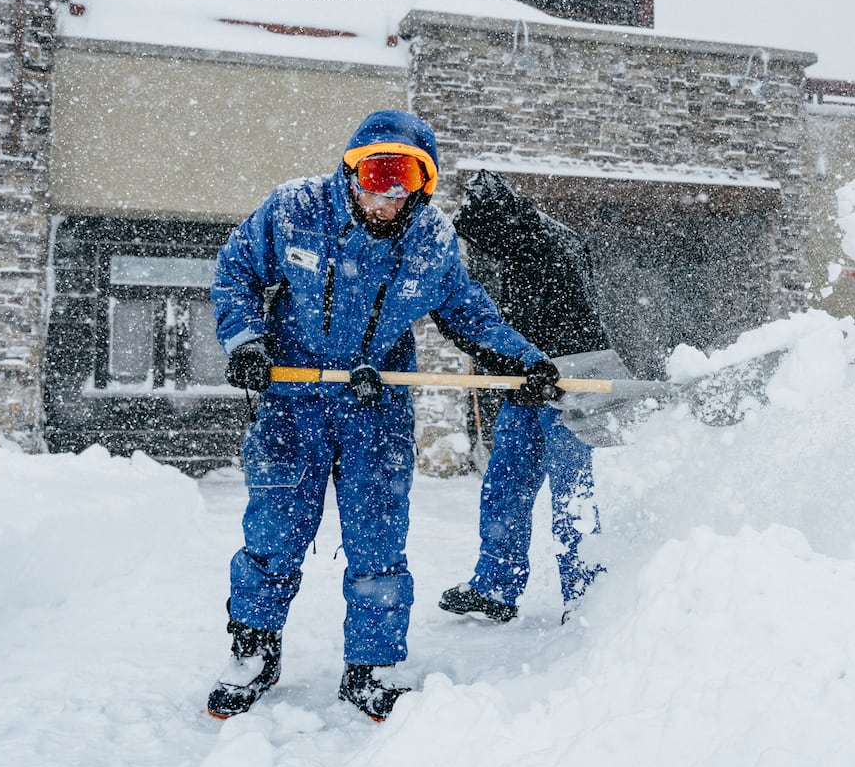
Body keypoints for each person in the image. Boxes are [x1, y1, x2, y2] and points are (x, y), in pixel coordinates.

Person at [206, 111, 562, 722]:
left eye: (404, 179)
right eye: (376, 174)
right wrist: (245, 342)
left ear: (424, 184)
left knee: (379, 543)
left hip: (376, 409)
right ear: (351, 170)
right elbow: (236, 272)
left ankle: (371, 667)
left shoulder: (433, 242)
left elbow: (469, 313)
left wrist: (523, 361)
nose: (386, 193)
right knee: (273, 535)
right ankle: (253, 652)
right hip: (294, 401)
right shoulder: (295, 209)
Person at [434, 170, 611, 625]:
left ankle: (587, 596)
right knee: (505, 486)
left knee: (572, 497)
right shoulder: (518, 247)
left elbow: (574, 318)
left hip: (570, 385)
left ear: (499, 221)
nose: (482, 249)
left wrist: (547, 369)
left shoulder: (552, 246)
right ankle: (494, 587)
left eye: (482, 238)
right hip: (527, 386)